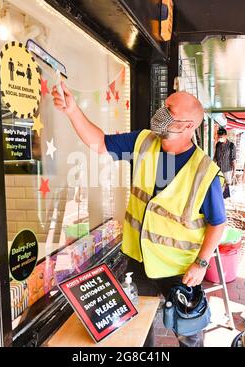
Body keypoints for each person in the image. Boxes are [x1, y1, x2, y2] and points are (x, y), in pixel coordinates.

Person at [52, 84, 227, 347]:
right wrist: (73, 111)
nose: (161, 113)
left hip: (179, 270)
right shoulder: (144, 141)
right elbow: (100, 144)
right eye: (163, 106)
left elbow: (218, 223)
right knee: (138, 325)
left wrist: (201, 264)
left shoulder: (205, 172)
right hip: (138, 260)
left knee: (188, 333)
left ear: (189, 124)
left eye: (170, 110)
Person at [214, 127, 236, 199]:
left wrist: (234, 172)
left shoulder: (231, 146)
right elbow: (215, 157)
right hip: (218, 169)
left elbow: (234, 159)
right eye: (219, 136)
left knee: (226, 186)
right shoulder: (218, 145)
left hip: (227, 170)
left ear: (226, 136)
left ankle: (224, 201)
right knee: (218, 185)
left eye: (222, 136)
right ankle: (220, 199)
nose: (220, 138)